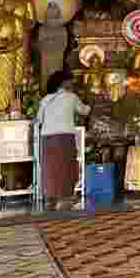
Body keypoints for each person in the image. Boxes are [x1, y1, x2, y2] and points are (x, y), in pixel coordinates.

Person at [36, 70, 91, 206]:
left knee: (50, 168)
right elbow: (84, 111)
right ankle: (65, 197)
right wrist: (91, 102)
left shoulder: (46, 99)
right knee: (66, 166)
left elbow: (39, 119)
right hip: (64, 137)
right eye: (70, 80)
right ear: (64, 82)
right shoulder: (71, 97)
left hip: (46, 138)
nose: (72, 83)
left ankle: (50, 197)